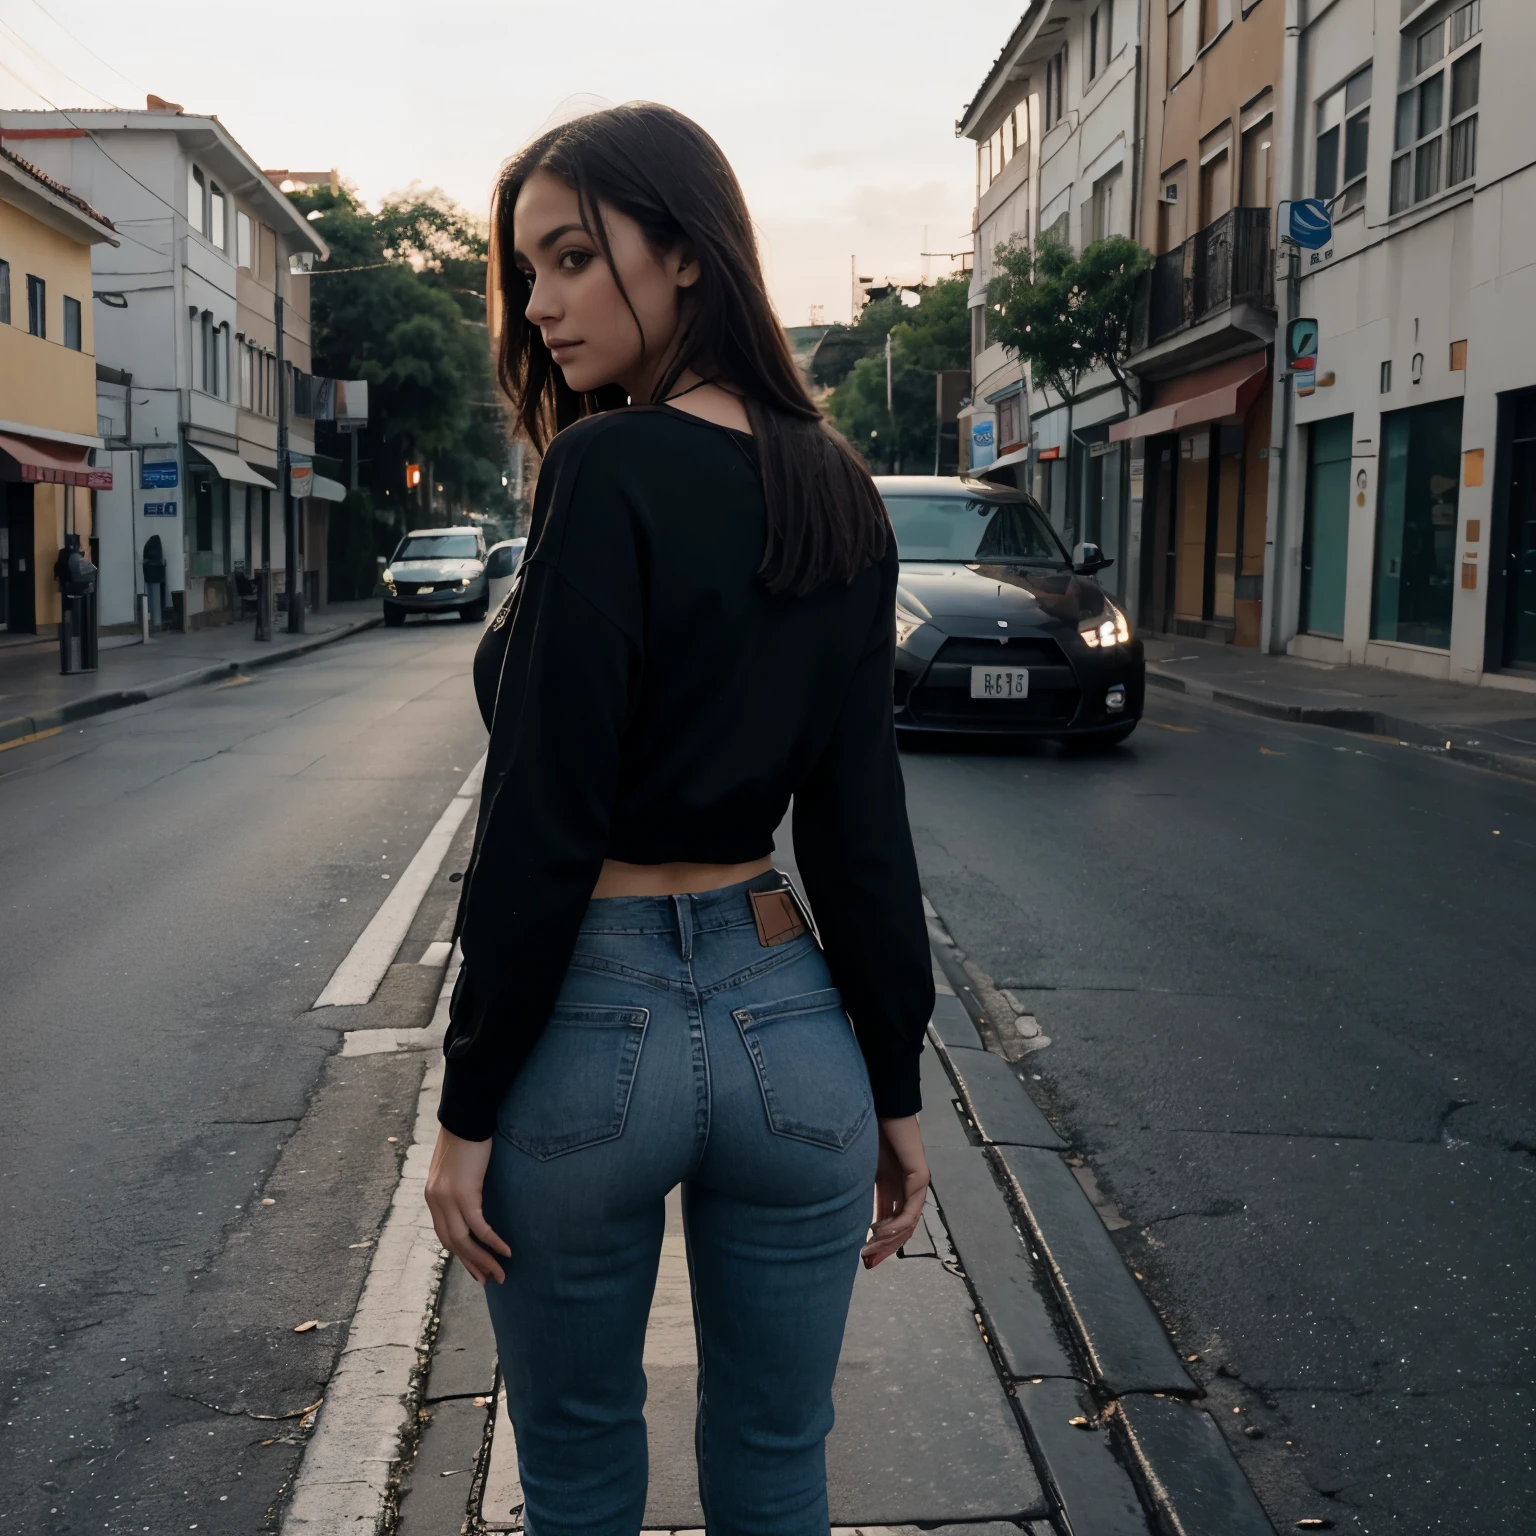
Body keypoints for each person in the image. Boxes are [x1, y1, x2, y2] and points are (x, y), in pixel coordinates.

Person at [424, 102, 935, 1536]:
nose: (542, 305)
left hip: (593, 1028)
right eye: (529, 274)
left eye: (576, 257)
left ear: (690, 254)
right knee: (779, 1465)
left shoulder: (606, 469)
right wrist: (892, 1082)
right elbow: (860, 828)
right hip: (793, 1031)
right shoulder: (835, 486)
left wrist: (470, 1102)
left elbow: (542, 813)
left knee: (579, 1467)